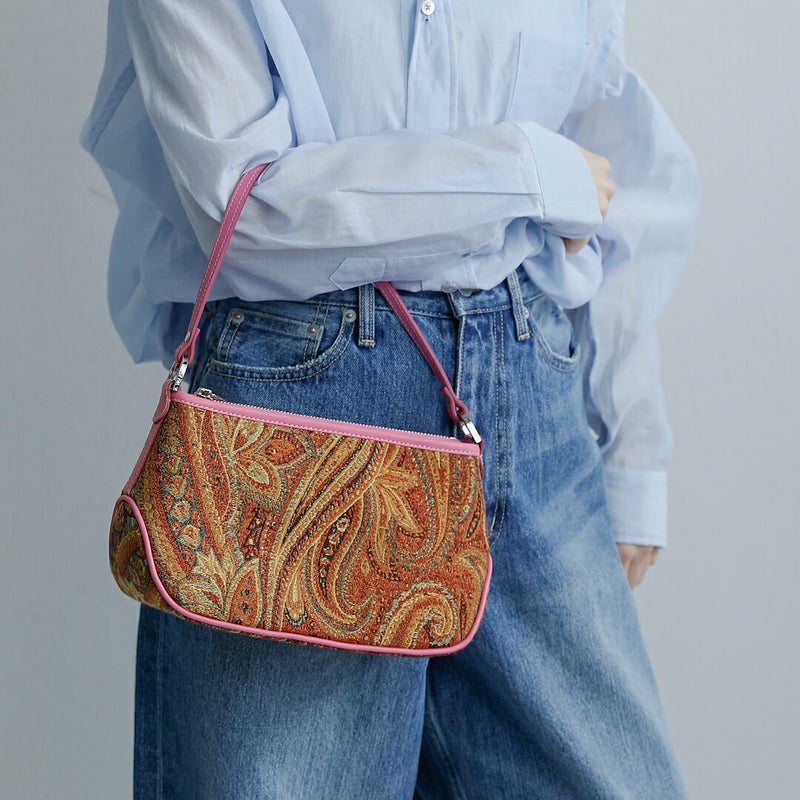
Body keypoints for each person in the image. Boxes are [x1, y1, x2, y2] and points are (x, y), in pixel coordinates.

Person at [83, 1, 699, 797]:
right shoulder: (531, 170)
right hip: (300, 426)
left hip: (534, 393)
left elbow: (616, 167)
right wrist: (528, 174)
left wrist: (632, 443)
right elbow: (242, 203)